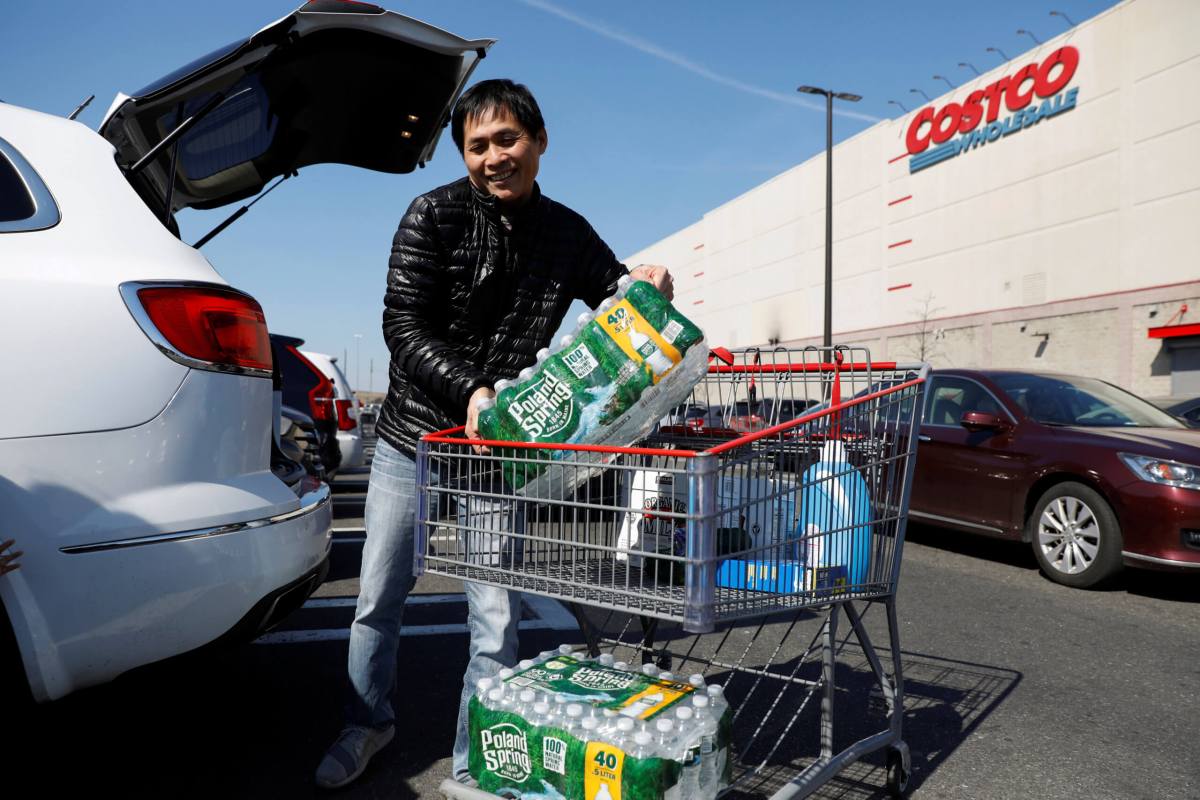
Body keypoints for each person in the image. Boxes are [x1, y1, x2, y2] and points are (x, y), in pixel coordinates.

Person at [316, 78, 673, 789]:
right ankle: (368, 723)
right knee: (378, 596)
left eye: (507, 140)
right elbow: (404, 327)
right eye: (477, 146)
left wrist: (647, 281)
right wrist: (471, 391)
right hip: (412, 438)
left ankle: (477, 755)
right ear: (463, 155)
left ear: (539, 142)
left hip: (495, 454)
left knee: (496, 618)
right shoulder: (433, 215)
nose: (493, 157)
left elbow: (614, 293)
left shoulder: (567, 231)